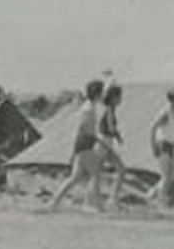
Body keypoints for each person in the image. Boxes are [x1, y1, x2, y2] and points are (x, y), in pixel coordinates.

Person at [46, 79, 106, 211]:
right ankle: (93, 205)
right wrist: (82, 145)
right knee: (95, 173)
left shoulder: (89, 106)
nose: (104, 94)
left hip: (84, 143)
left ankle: (54, 202)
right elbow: (82, 128)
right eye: (102, 92)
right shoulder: (88, 108)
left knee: (75, 177)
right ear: (97, 94)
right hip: (85, 143)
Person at [148, 87, 174, 208]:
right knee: (166, 175)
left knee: (173, 176)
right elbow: (152, 127)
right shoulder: (165, 112)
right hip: (162, 144)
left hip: (171, 146)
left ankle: (151, 194)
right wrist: (153, 147)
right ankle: (161, 202)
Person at [96, 83, 130, 209]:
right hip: (105, 143)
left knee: (97, 173)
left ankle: (107, 199)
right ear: (114, 97)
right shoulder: (109, 109)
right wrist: (118, 135)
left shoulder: (109, 109)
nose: (121, 99)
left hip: (104, 143)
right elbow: (110, 128)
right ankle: (113, 199)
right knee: (121, 169)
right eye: (119, 97)